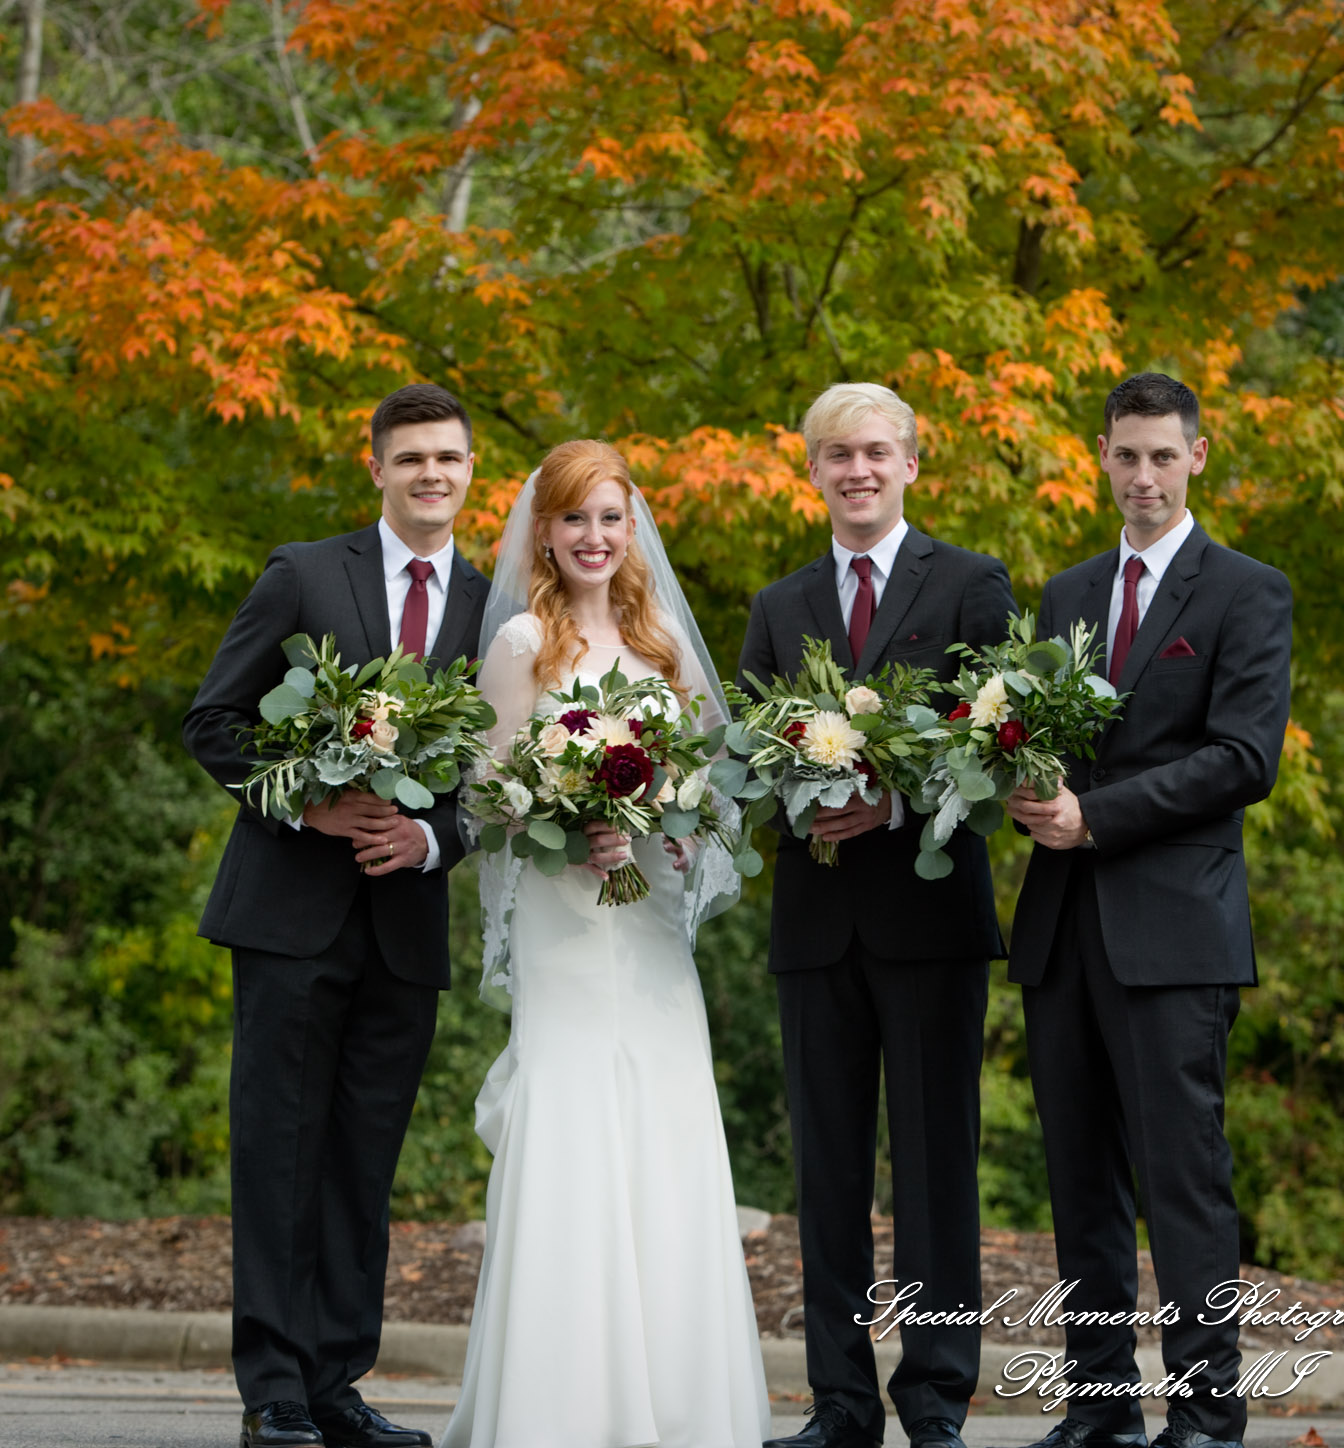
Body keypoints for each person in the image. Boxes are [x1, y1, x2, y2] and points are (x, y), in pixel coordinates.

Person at [438, 439, 769, 1448]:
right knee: (573, 1117)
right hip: (563, 921)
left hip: (649, 924)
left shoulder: (662, 639)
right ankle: (558, 1401)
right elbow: (482, 795)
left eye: (609, 518)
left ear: (631, 530)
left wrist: (660, 815)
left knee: (664, 1119)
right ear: (543, 530)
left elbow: (710, 788)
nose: (592, 536)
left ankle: (677, 1396)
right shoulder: (517, 645)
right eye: (574, 517)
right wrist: (563, 807)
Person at [184, 383, 491, 1448]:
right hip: (287, 915)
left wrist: (434, 836)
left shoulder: (493, 607)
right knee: (276, 1151)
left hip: (405, 925)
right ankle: (271, 1386)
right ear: (376, 467)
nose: (429, 476)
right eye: (410, 459)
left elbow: (494, 778)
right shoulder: (305, 572)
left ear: (469, 470)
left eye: (446, 459)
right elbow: (213, 720)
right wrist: (309, 802)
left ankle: (334, 1381)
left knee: (365, 1161)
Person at [1004, 373, 1293, 1448]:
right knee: (1078, 1180)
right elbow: (1037, 739)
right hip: (1060, 927)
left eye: (1161, 456)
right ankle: (1097, 1406)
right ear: (1100, 455)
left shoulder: (1244, 590)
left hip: (1174, 930)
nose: (1141, 476)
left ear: (1197, 457)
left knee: (1182, 1181)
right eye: (1124, 455)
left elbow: (1240, 757)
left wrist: (1097, 815)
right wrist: (1014, 780)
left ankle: (1207, 1414)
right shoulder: (1066, 592)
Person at [739, 384, 1016, 1448]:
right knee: (827, 1174)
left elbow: (997, 745)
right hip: (815, 924)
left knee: (937, 1165)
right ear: (811, 470)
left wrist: (895, 798)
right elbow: (754, 765)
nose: (855, 470)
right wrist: (802, 794)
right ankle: (839, 1401)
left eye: (874, 452)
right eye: (835, 454)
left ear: (910, 461)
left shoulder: (969, 583)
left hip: (931, 918)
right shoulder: (779, 603)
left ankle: (937, 1395)